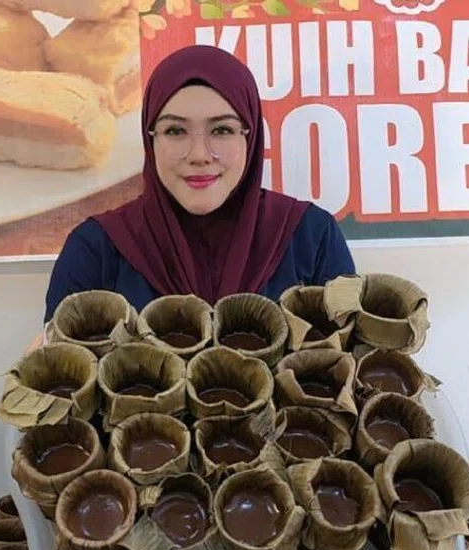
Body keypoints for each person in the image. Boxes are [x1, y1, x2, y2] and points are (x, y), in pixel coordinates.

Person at [30, 45, 355, 350]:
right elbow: (61, 381)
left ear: (250, 136)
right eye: (175, 131)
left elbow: (353, 360)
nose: (199, 154)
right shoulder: (97, 248)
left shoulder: (311, 236)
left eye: (222, 130)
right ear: (150, 138)